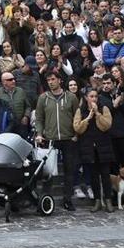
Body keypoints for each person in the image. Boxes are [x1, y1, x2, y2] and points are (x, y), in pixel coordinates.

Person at [35, 71, 79, 211]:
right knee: (48, 171)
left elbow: (77, 117)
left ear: (59, 80)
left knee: (69, 170)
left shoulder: (71, 97)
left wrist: (76, 133)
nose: (50, 82)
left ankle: (67, 199)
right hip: (50, 138)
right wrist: (39, 133)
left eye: (53, 79)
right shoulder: (43, 98)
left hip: (68, 138)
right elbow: (39, 118)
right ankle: (45, 199)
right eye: (48, 80)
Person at [73, 88, 114, 212]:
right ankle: (97, 201)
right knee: (94, 176)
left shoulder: (104, 108)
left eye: (95, 96)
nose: (94, 99)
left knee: (106, 175)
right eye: (91, 96)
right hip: (89, 147)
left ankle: (108, 200)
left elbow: (106, 126)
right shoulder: (81, 110)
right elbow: (77, 128)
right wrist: (88, 118)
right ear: (86, 98)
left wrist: (97, 114)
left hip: (103, 146)